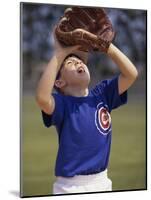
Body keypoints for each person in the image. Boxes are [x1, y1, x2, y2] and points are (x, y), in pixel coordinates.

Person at [36, 32, 138, 194]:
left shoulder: (102, 94)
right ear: (60, 82)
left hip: (102, 182)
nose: (78, 63)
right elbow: (42, 98)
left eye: (80, 61)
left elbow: (131, 74)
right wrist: (60, 54)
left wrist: (107, 47)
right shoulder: (63, 104)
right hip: (70, 186)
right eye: (70, 62)